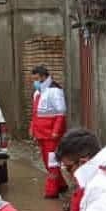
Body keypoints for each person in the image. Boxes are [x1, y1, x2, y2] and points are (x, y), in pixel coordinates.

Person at [29, 65, 68, 199]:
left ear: (43, 77)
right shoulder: (38, 92)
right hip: (41, 134)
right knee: (47, 162)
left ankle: (52, 191)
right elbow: (35, 114)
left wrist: (56, 132)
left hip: (51, 135)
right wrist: (32, 129)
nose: (34, 82)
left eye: (36, 79)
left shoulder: (55, 91)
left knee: (52, 163)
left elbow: (60, 113)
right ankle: (61, 184)